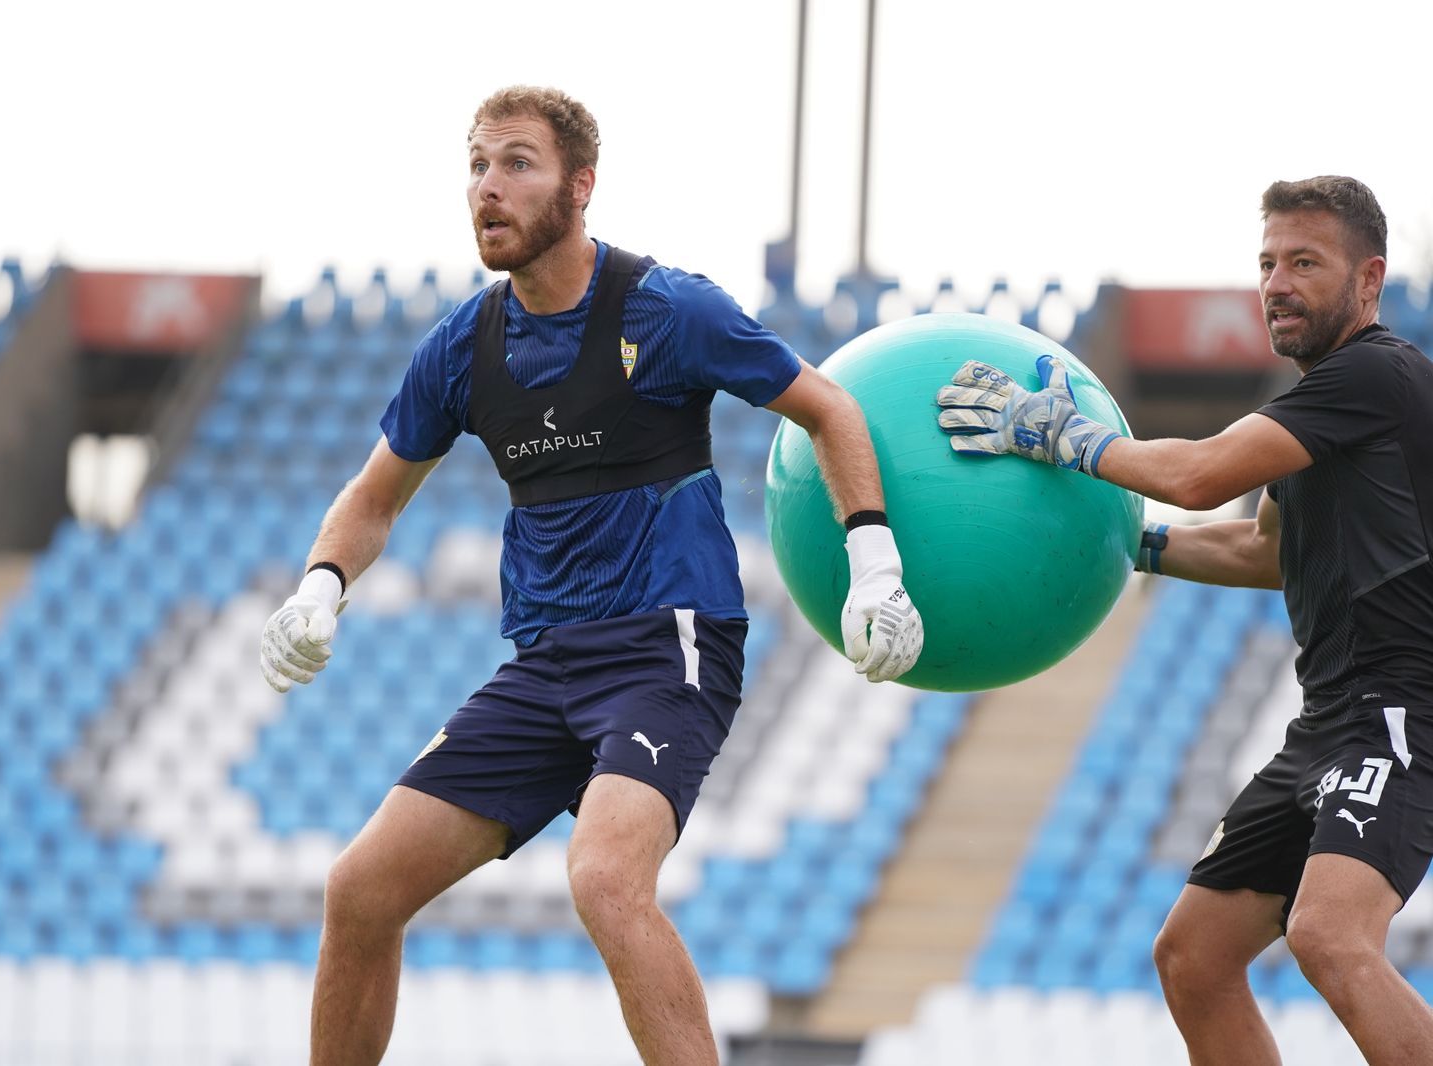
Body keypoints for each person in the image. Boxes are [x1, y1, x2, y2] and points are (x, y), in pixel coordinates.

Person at [258, 85, 925, 1066]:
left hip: (668, 646)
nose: (488, 186)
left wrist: (874, 563)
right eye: (477, 165)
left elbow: (828, 407)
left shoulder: (667, 308)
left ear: (581, 186)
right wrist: (319, 586)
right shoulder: (461, 347)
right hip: (544, 667)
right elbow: (370, 497)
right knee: (360, 889)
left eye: (516, 163)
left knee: (605, 878)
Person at [935, 175, 1433, 1065]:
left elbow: (1200, 475)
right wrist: (1130, 543)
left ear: (1369, 282)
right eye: (1268, 262)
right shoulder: (1323, 401)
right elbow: (1261, 553)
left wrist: (1060, 438)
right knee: (1193, 959)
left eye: (1305, 263)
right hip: (1329, 724)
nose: (1277, 282)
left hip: (1402, 713)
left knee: (1330, 937)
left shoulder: (1374, 371)